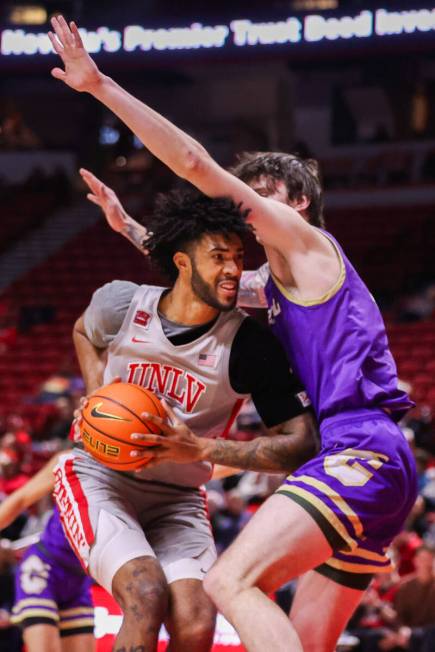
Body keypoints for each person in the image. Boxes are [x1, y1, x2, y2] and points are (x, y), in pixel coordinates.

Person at [48, 16, 417, 652]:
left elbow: (194, 164)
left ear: (295, 203)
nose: (242, 202)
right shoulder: (277, 283)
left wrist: (101, 86)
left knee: (227, 583)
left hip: (360, 447)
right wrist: (130, 228)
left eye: (259, 191)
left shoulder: (305, 244)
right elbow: (191, 272)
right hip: (377, 463)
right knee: (302, 638)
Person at [54, 184, 316, 652]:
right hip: (98, 476)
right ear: (182, 262)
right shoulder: (121, 304)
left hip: (178, 496)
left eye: (239, 256)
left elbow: (301, 444)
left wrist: (201, 449)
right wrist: (98, 394)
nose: (234, 269)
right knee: (145, 592)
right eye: (219, 257)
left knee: (197, 622)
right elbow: (83, 331)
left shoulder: (250, 347)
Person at [0, 453, 95, 652]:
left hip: (79, 577)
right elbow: (20, 499)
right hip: (44, 568)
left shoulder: (145, 469)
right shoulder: (73, 458)